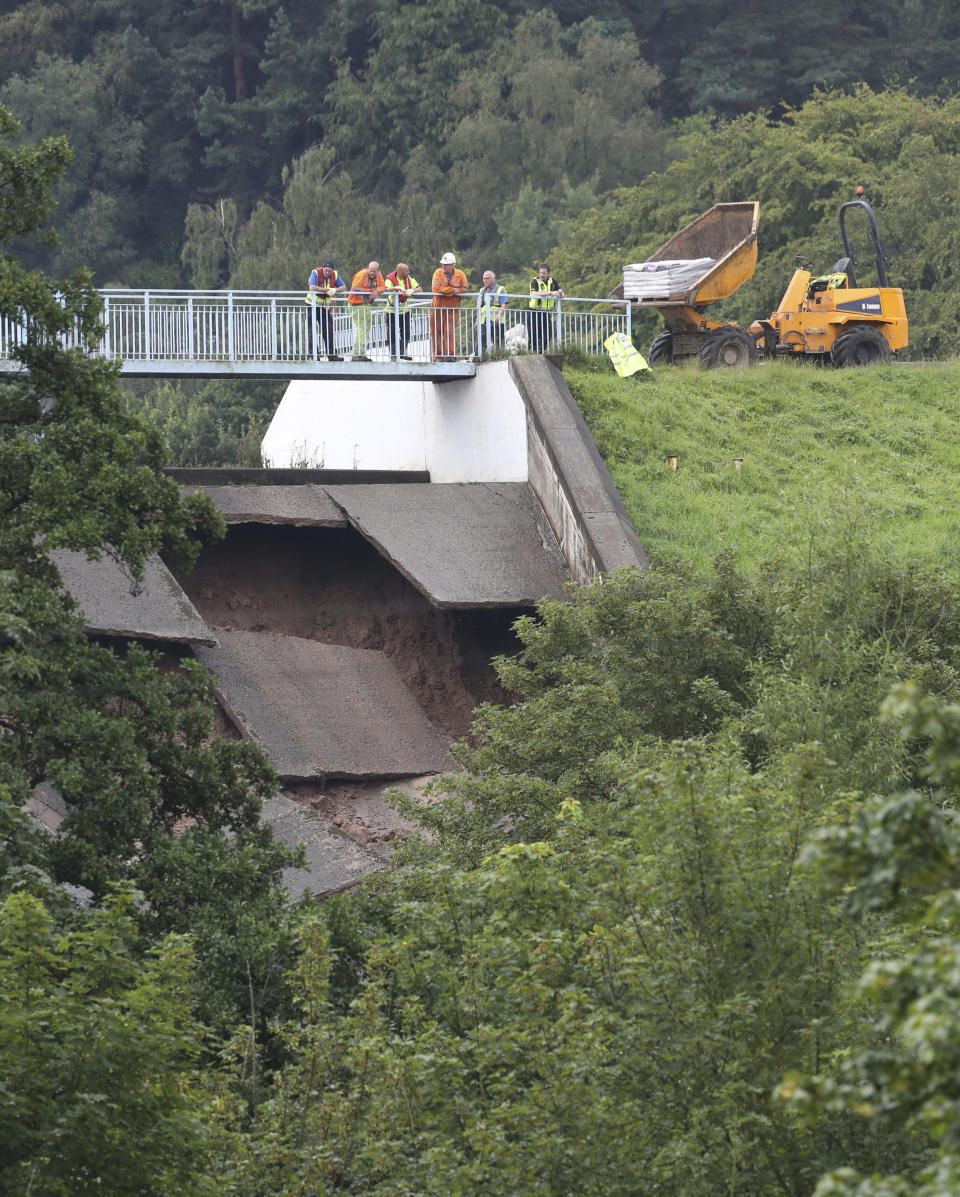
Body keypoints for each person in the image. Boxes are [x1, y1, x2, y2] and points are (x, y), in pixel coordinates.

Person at [430, 251, 468, 361]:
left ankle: (451, 355)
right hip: (437, 308)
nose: (443, 266)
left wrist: (454, 291)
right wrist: (452, 291)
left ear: (453, 265)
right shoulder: (437, 273)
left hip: (452, 308)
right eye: (443, 264)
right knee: (436, 332)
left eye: (446, 264)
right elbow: (436, 289)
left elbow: (465, 288)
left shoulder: (460, 274)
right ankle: (438, 356)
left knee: (449, 331)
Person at [306, 259, 346, 360]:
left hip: (325, 308)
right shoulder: (315, 272)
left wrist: (335, 290)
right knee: (311, 331)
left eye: (330, 271)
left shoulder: (335, 275)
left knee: (328, 331)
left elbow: (344, 287)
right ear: (323, 268)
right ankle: (314, 355)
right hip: (312, 306)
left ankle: (332, 355)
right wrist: (326, 290)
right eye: (326, 270)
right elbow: (311, 287)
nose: (328, 273)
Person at [348, 260, 385, 360]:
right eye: (371, 270)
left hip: (366, 304)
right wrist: (370, 291)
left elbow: (382, 286)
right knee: (361, 329)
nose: (372, 273)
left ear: (378, 271)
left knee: (366, 329)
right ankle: (356, 355)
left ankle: (362, 354)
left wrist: (377, 291)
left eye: (374, 271)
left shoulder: (379, 275)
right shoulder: (362, 274)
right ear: (368, 269)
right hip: (356, 304)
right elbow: (355, 289)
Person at [384, 262, 422, 359]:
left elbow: (420, 289)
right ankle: (393, 354)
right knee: (392, 333)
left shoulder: (408, 278)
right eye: (406, 270)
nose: (408, 272)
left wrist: (412, 290)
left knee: (406, 332)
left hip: (404, 311)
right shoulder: (390, 279)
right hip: (391, 311)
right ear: (399, 271)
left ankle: (402, 353)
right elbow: (385, 289)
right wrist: (395, 288)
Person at [527, 264, 564, 354]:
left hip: (546, 313)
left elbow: (562, 294)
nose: (541, 275)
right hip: (534, 312)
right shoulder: (535, 281)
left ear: (548, 273)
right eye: (540, 273)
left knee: (548, 335)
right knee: (534, 335)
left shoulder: (553, 281)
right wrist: (551, 293)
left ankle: (540, 352)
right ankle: (532, 353)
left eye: (544, 273)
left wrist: (559, 292)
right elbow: (534, 293)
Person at [477, 270, 508, 356]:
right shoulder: (482, 291)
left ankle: (500, 358)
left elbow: (504, 304)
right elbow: (480, 307)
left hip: (497, 322)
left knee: (498, 343)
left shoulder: (500, 289)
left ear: (493, 279)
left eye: (487, 278)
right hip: (484, 322)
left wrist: (499, 316)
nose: (485, 280)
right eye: (484, 279)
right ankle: (478, 359)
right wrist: (477, 321)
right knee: (481, 343)